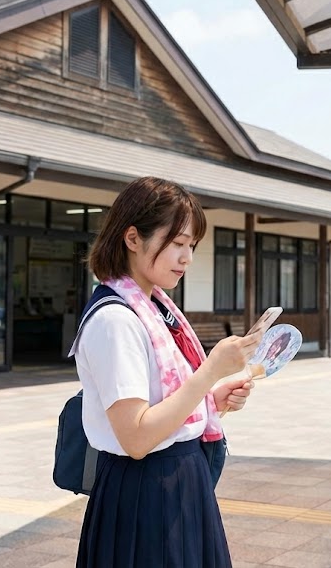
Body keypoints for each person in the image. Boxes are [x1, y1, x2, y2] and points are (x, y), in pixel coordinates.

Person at [72, 176, 259, 567]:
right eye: (177, 243)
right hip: (145, 490)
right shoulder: (116, 320)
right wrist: (208, 374)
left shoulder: (156, 308)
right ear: (133, 238)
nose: (187, 257)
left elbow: (163, 404)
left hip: (177, 481)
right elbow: (137, 437)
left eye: (191, 245)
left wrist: (212, 400)